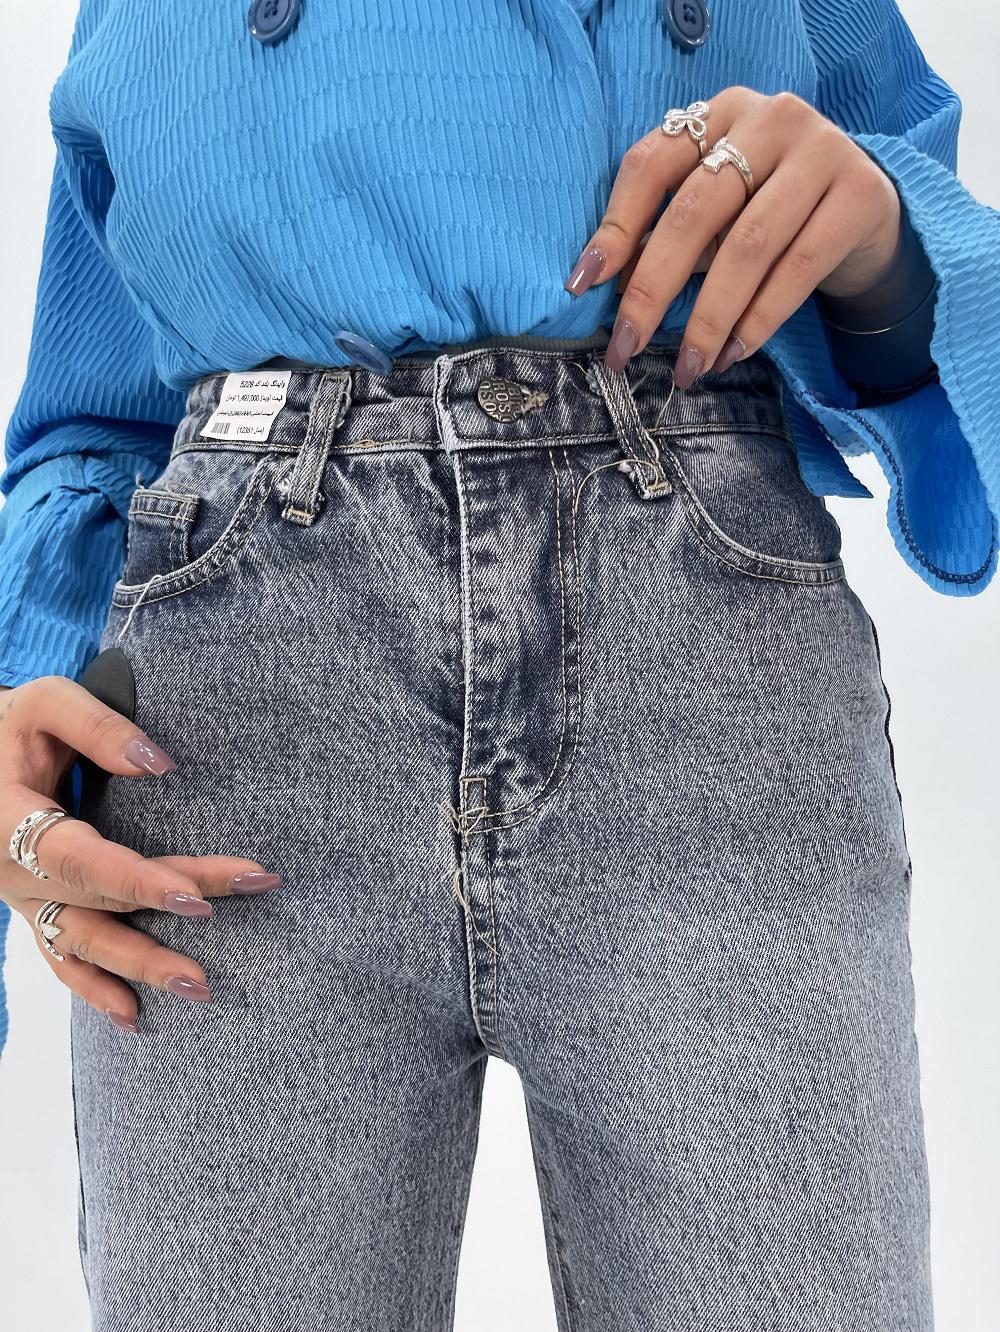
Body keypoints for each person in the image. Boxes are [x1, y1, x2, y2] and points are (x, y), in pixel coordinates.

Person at [1, 1, 997, 1328]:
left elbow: (905, 267)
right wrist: (22, 689)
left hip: (704, 689)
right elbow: (101, 415)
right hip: (231, 733)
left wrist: (881, 240)